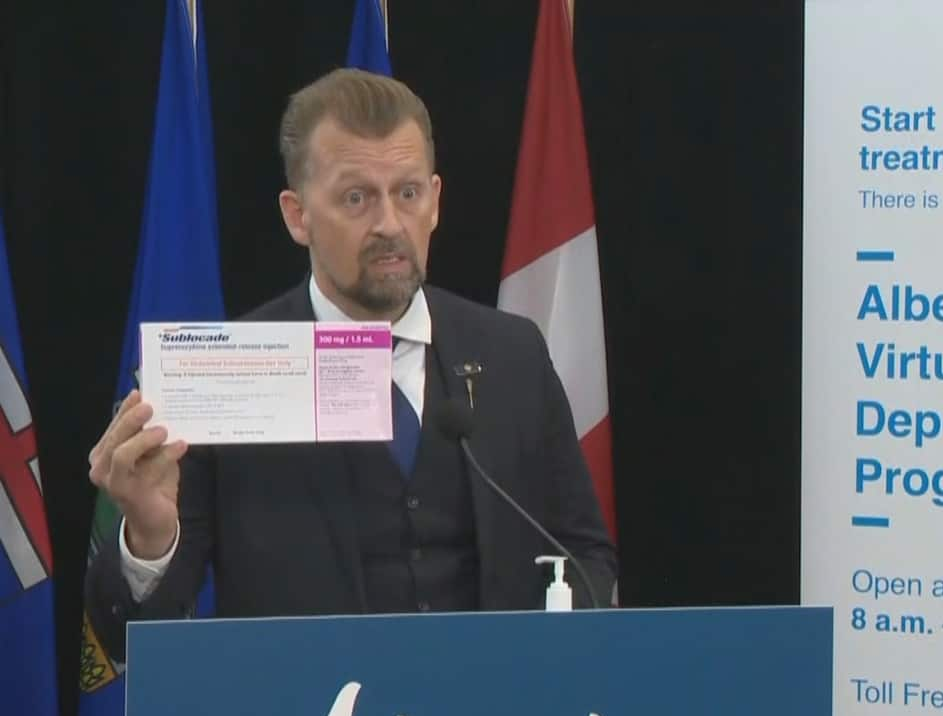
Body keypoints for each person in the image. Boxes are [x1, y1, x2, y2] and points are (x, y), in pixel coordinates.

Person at [84, 69, 617, 661]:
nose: (389, 223)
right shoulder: (225, 373)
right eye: (356, 197)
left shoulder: (512, 353)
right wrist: (150, 536)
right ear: (297, 215)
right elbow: (129, 642)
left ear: (435, 202)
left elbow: (585, 556)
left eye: (407, 193)